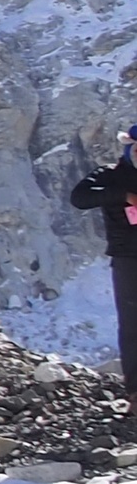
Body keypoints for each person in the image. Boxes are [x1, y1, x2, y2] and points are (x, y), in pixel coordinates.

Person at [74, 124, 137, 383]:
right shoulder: (111, 174)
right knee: (133, 324)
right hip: (127, 257)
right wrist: (124, 196)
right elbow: (79, 197)